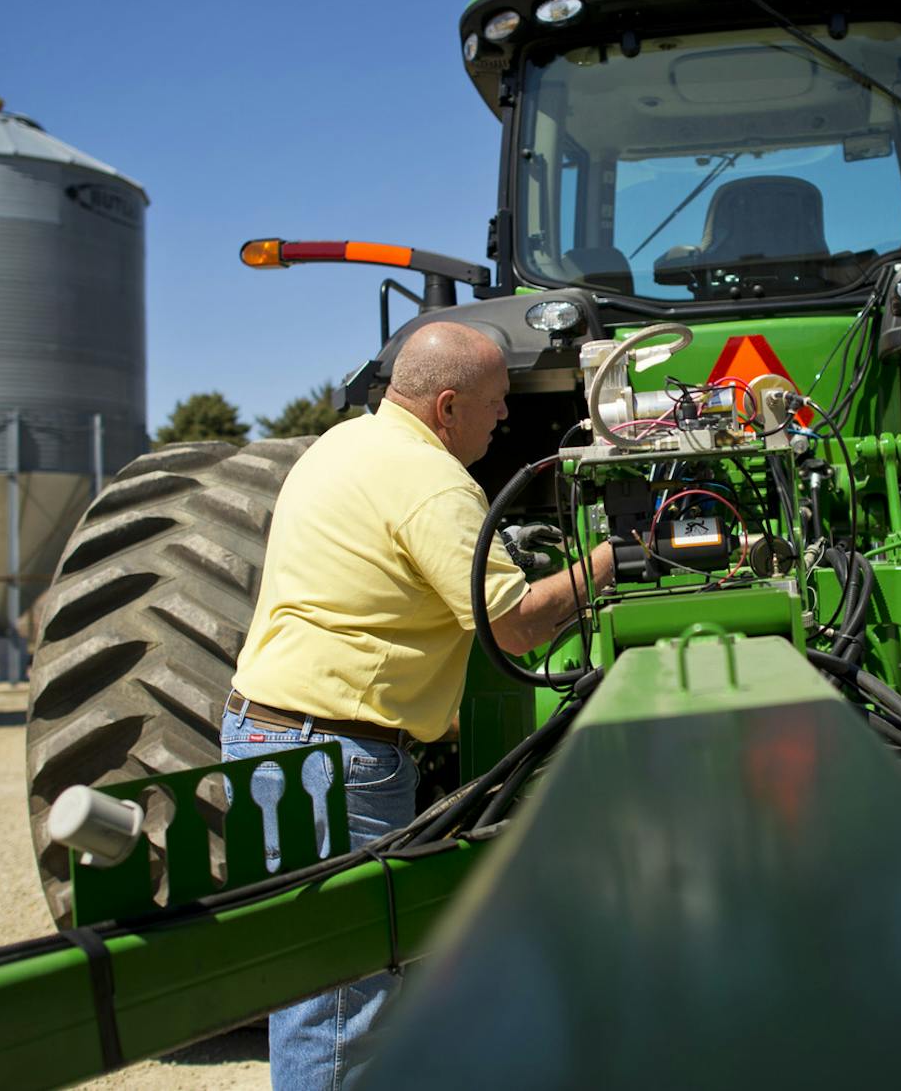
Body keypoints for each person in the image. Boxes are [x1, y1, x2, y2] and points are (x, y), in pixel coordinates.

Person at [223, 320, 614, 1091]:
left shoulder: (342, 444)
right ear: (446, 406)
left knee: (315, 982)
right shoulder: (431, 480)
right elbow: (514, 623)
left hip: (268, 735)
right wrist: (611, 561)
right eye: (497, 402)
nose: (506, 416)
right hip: (335, 760)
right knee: (340, 1004)